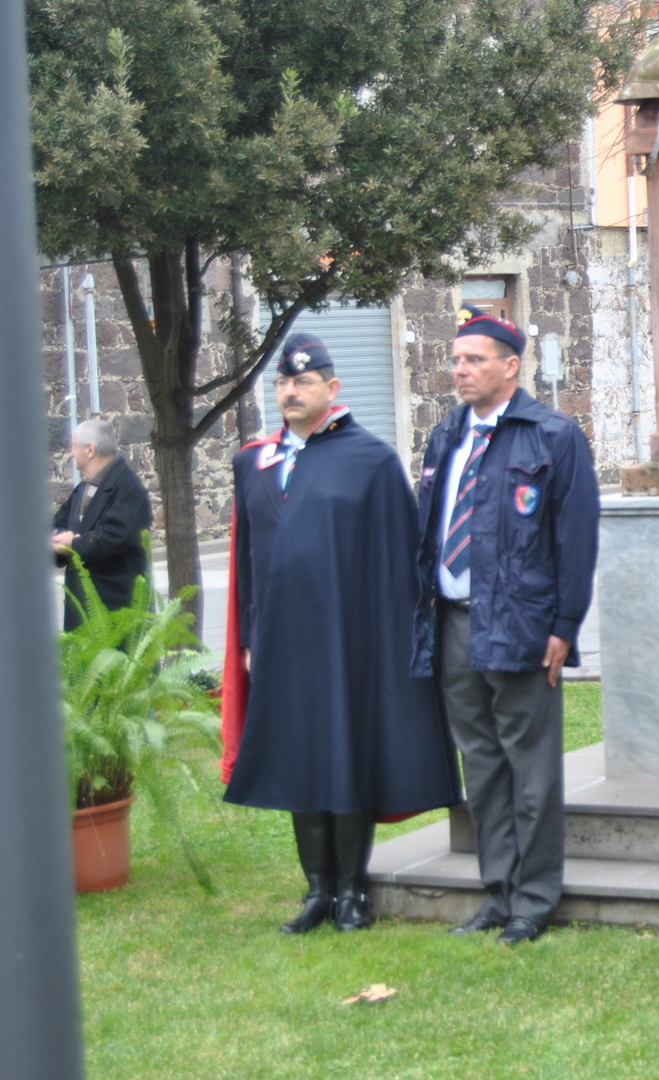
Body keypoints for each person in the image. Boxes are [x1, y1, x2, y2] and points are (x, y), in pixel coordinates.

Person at [221, 333, 460, 934]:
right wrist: (248, 636)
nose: (290, 392)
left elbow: (397, 560)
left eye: (303, 382)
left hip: (348, 638)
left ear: (331, 387)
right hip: (280, 639)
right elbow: (247, 559)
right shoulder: (253, 463)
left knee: (347, 755)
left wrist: (398, 639)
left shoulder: (369, 460)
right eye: (283, 382)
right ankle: (317, 891)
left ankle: (353, 891)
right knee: (298, 757)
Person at [412, 313, 600, 947]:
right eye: (456, 360)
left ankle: (534, 901)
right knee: (482, 766)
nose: (460, 370)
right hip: (454, 623)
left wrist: (564, 625)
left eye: (475, 359)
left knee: (531, 768)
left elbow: (575, 541)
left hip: (523, 624)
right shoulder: (447, 436)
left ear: (511, 365)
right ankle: (497, 892)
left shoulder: (553, 436)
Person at [51, 417, 152, 630]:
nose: (71, 453)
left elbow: (116, 535)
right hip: (84, 610)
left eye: (74, 446)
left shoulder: (128, 487)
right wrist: (56, 543)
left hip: (115, 609)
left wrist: (74, 544)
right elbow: (58, 525)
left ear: (89, 450)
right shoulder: (83, 489)